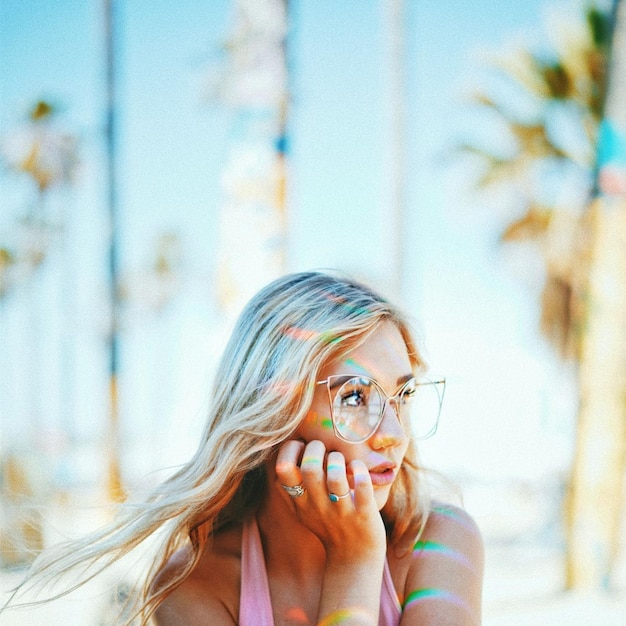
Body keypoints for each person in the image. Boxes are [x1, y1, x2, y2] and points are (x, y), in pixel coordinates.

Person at [6, 270, 483, 625]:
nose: (394, 434)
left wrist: (357, 555)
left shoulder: (439, 543)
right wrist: (354, 561)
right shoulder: (195, 588)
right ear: (275, 413)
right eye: (355, 397)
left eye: (402, 395)